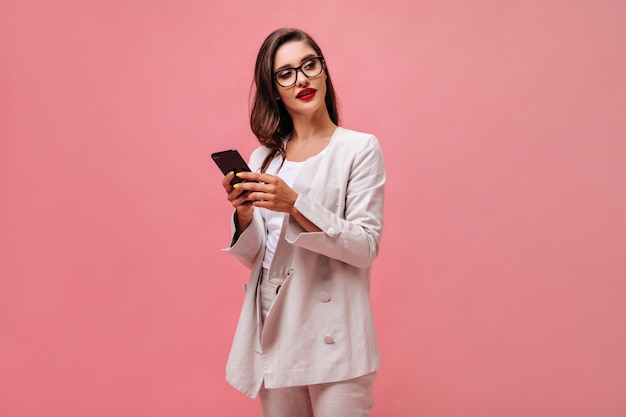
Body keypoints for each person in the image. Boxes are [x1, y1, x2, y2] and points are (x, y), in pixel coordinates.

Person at [220, 27, 385, 417]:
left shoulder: (359, 149)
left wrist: (294, 204)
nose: (302, 79)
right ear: (274, 88)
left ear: (324, 70)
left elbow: (364, 247)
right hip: (275, 324)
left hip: (337, 334)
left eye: (309, 65)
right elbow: (262, 260)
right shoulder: (263, 158)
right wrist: (244, 214)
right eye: (286, 73)